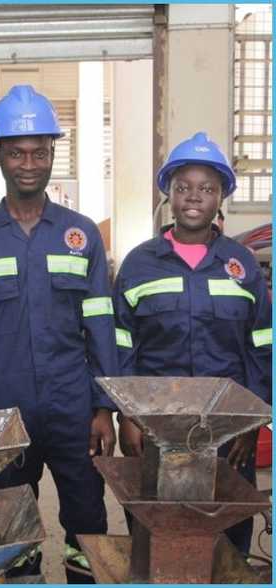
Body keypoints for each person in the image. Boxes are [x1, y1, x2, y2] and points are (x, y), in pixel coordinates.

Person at [0, 85, 117, 582]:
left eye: (39, 152)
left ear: (52, 155)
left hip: (72, 409)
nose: (29, 163)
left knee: (87, 519)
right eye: (17, 152)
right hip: (3, 415)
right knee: (8, 524)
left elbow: (101, 327)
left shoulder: (81, 234)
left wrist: (104, 407)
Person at [113, 132, 272, 555]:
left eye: (207, 188)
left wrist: (251, 421)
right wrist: (127, 415)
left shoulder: (242, 268)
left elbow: (261, 347)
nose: (194, 198)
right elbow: (121, 345)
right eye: (183, 187)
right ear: (169, 193)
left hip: (227, 432)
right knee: (156, 533)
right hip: (156, 427)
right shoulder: (139, 264)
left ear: (222, 196)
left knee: (227, 536)